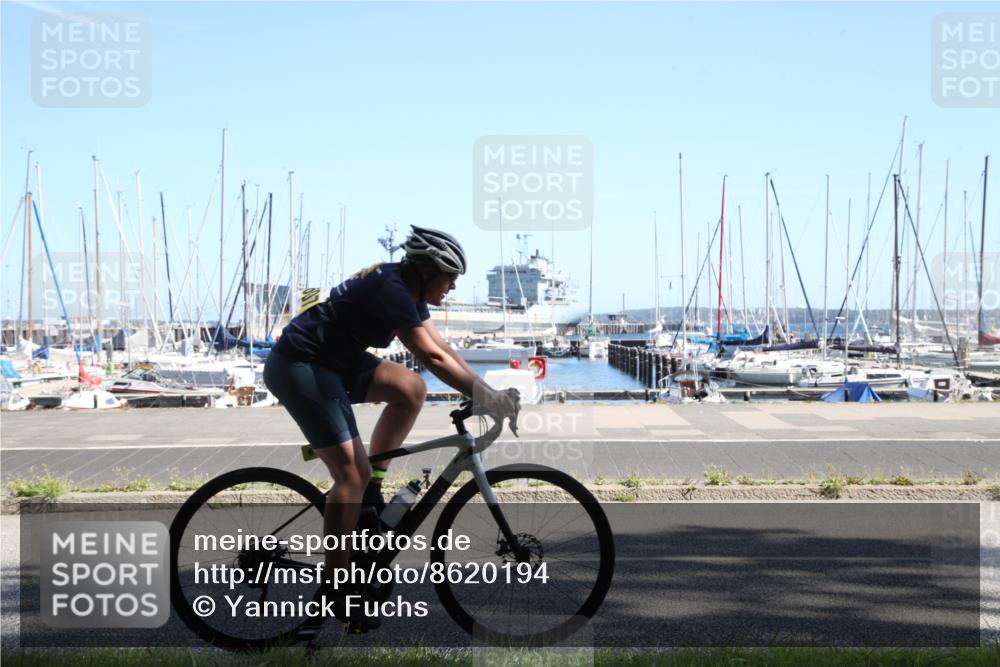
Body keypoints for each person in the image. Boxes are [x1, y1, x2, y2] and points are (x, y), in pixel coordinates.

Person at [263, 225, 517, 631]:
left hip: (336, 361)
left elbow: (444, 349)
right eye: (449, 277)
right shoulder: (391, 289)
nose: (452, 286)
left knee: (410, 389)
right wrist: (488, 397)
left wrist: (485, 391)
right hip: (301, 366)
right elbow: (431, 356)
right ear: (425, 271)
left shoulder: (408, 288)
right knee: (350, 475)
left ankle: (373, 489)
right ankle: (337, 586)